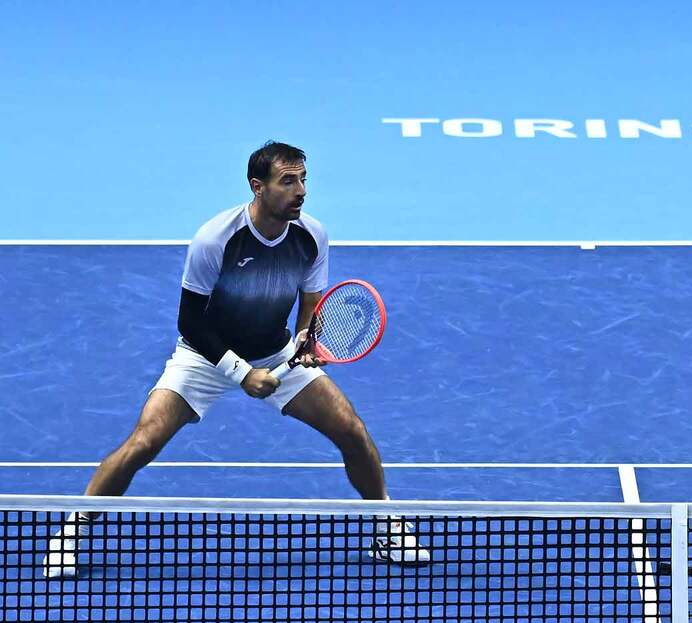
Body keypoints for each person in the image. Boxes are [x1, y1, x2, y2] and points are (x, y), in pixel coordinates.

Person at [43, 141, 428, 577]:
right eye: (288, 181)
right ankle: (71, 529)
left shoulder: (311, 235)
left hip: (275, 351)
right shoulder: (217, 239)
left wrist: (306, 337)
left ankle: (385, 522)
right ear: (257, 187)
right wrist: (240, 373)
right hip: (205, 358)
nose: (301, 190)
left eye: (304, 179)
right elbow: (190, 321)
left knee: (351, 430)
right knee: (144, 441)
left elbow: (311, 296)